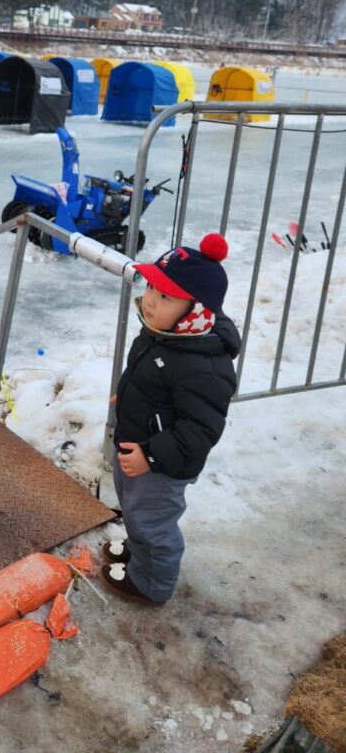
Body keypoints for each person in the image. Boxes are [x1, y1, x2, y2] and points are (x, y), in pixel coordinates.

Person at [100, 233, 241, 607]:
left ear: (195, 309)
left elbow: (200, 431)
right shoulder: (165, 334)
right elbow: (148, 376)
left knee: (152, 520)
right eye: (151, 287)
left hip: (162, 464)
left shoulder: (204, 367)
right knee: (133, 507)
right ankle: (137, 551)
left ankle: (151, 583)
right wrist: (127, 394)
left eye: (165, 295)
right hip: (137, 446)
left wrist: (152, 456)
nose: (149, 300)